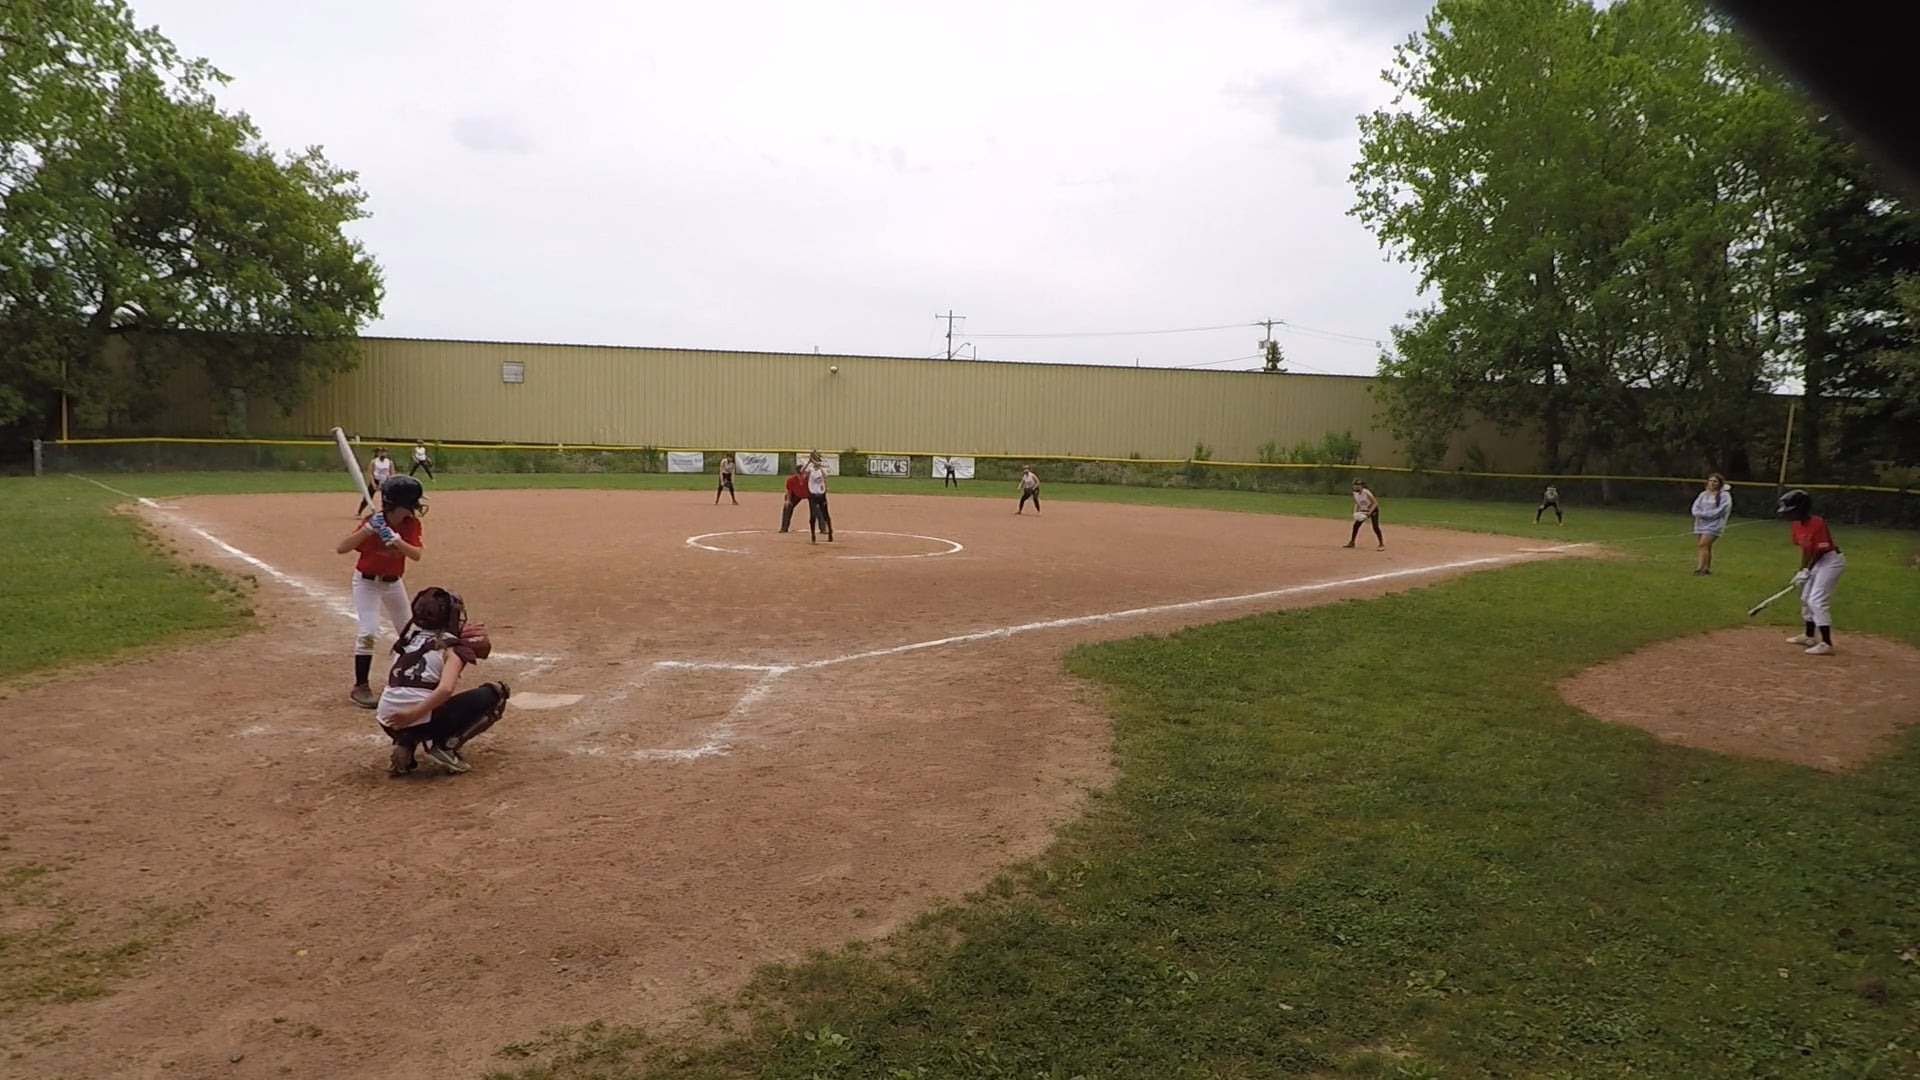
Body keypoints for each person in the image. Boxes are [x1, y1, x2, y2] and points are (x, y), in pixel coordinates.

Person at [376, 585, 509, 776]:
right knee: (496, 693)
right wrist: (412, 714)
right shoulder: (452, 647)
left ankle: (405, 742)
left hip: (388, 720)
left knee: (416, 692)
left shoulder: (407, 639)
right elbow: (446, 689)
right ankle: (446, 746)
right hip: (416, 720)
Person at [336, 475, 427, 708]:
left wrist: (396, 541)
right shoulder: (374, 522)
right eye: (412, 503)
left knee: (409, 634)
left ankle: (405, 680)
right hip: (367, 583)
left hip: (393, 583)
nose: (415, 507)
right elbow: (342, 548)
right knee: (368, 631)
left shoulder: (410, 524)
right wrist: (367, 530)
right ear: (399, 504)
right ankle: (360, 687)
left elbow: (416, 554)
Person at [1778, 488, 1845, 655]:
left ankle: (1826, 643)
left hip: (1830, 561)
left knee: (1816, 601)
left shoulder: (1817, 523)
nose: (1788, 514)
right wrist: (1801, 570)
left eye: (1791, 511)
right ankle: (1809, 636)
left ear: (1801, 509)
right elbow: (1806, 550)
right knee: (1805, 597)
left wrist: (1808, 568)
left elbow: (1820, 549)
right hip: (1815, 561)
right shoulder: (1796, 525)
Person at [1690, 473, 1733, 575]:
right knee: (1705, 546)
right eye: (1710, 481)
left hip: (1714, 524)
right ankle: (1706, 568)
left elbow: (1721, 510)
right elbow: (1696, 506)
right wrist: (1697, 513)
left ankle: (1700, 568)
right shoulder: (1703, 494)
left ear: (1719, 483)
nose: (1712, 483)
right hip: (1700, 523)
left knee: (1703, 544)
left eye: (1715, 481)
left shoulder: (1725, 496)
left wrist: (1705, 515)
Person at [1345, 478, 1384, 550]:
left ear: (1362, 486)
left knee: (1375, 527)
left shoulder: (1366, 493)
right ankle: (1352, 542)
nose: (1356, 486)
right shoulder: (1354, 493)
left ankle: (1381, 544)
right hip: (1363, 510)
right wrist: (1355, 512)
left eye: (1358, 485)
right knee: (1356, 526)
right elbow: (1357, 503)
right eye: (1355, 485)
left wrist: (1369, 513)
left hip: (1373, 510)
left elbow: (1375, 503)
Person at [355, 447, 396, 516]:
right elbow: (370, 473)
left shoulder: (389, 462)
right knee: (368, 497)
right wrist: (373, 484)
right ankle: (359, 511)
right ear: (378, 453)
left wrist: (390, 482)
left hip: (385, 481)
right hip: (376, 480)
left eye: (384, 452)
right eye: (381, 452)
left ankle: (386, 513)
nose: (383, 454)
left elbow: (392, 473)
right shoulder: (374, 462)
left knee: (386, 498)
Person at [805, 451, 834, 544]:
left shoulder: (823, 469)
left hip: (821, 494)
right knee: (812, 516)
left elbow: (825, 477)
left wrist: (817, 464)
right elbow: (802, 471)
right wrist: (809, 462)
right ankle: (813, 535)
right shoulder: (810, 469)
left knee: (825, 514)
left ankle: (830, 531)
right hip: (812, 494)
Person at [780, 461, 811, 533]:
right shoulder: (791, 480)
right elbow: (789, 491)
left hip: (811, 494)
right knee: (787, 506)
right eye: (799, 474)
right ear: (796, 474)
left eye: (803, 473)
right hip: (796, 494)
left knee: (818, 508)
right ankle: (784, 528)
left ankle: (823, 528)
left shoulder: (811, 480)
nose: (802, 476)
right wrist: (788, 501)